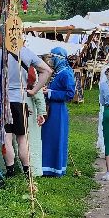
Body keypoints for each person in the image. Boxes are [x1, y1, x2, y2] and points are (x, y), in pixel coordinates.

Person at [0, 41, 46, 176]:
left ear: (2, 38)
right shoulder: (27, 53)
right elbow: (47, 70)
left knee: (5, 138)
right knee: (22, 139)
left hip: (1, 102)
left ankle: (10, 170)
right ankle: (26, 171)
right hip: (20, 101)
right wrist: (34, 90)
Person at [38, 46, 77, 177]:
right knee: (49, 137)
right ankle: (47, 166)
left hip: (58, 111)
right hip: (51, 109)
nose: (51, 59)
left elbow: (70, 94)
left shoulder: (66, 73)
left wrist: (50, 93)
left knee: (56, 137)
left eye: (53, 57)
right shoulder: (58, 72)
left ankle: (55, 168)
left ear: (59, 58)